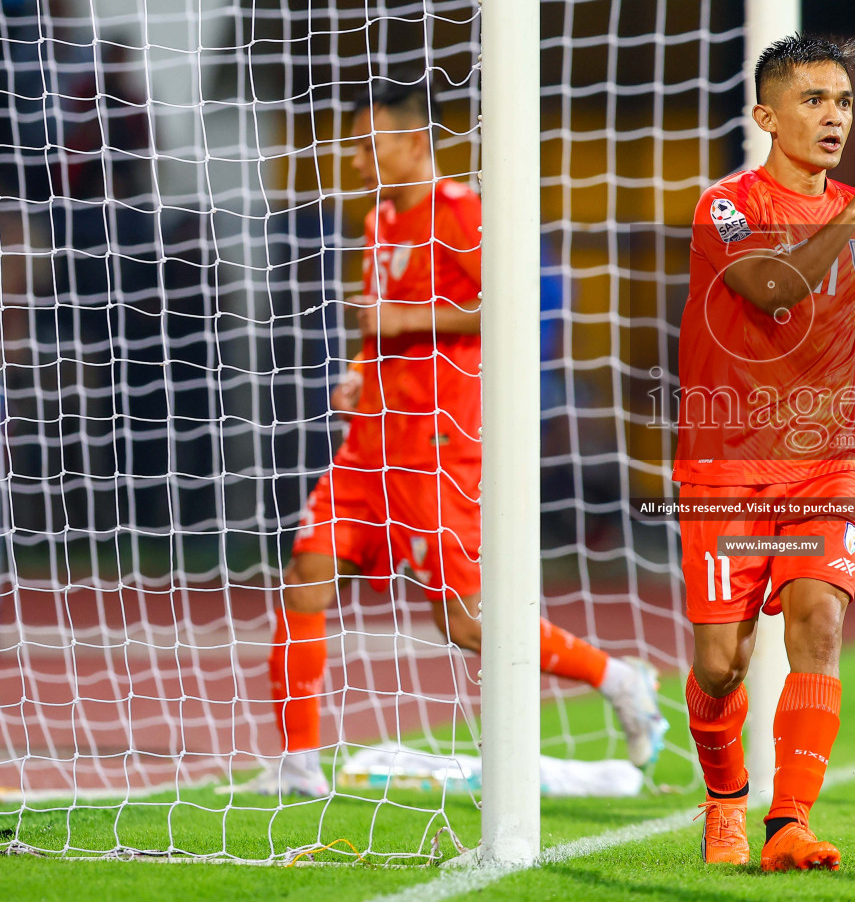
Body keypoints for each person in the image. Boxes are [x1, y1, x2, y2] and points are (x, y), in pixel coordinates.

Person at [228, 76, 666, 798]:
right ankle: (298, 767)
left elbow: (511, 302)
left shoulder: (459, 212)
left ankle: (620, 679)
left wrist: (406, 324)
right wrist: (358, 372)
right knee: (307, 577)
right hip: (369, 445)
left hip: (439, 448)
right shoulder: (378, 223)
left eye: (371, 148)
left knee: (464, 625)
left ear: (413, 141)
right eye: (354, 150)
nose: (359, 164)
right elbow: (378, 324)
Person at [674, 34, 855, 871]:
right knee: (721, 663)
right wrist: (850, 212)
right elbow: (771, 286)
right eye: (813, 100)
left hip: (825, 465)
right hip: (726, 472)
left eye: (844, 101)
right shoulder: (727, 207)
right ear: (765, 116)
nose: (834, 116)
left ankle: (789, 825)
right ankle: (724, 802)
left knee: (820, 623)